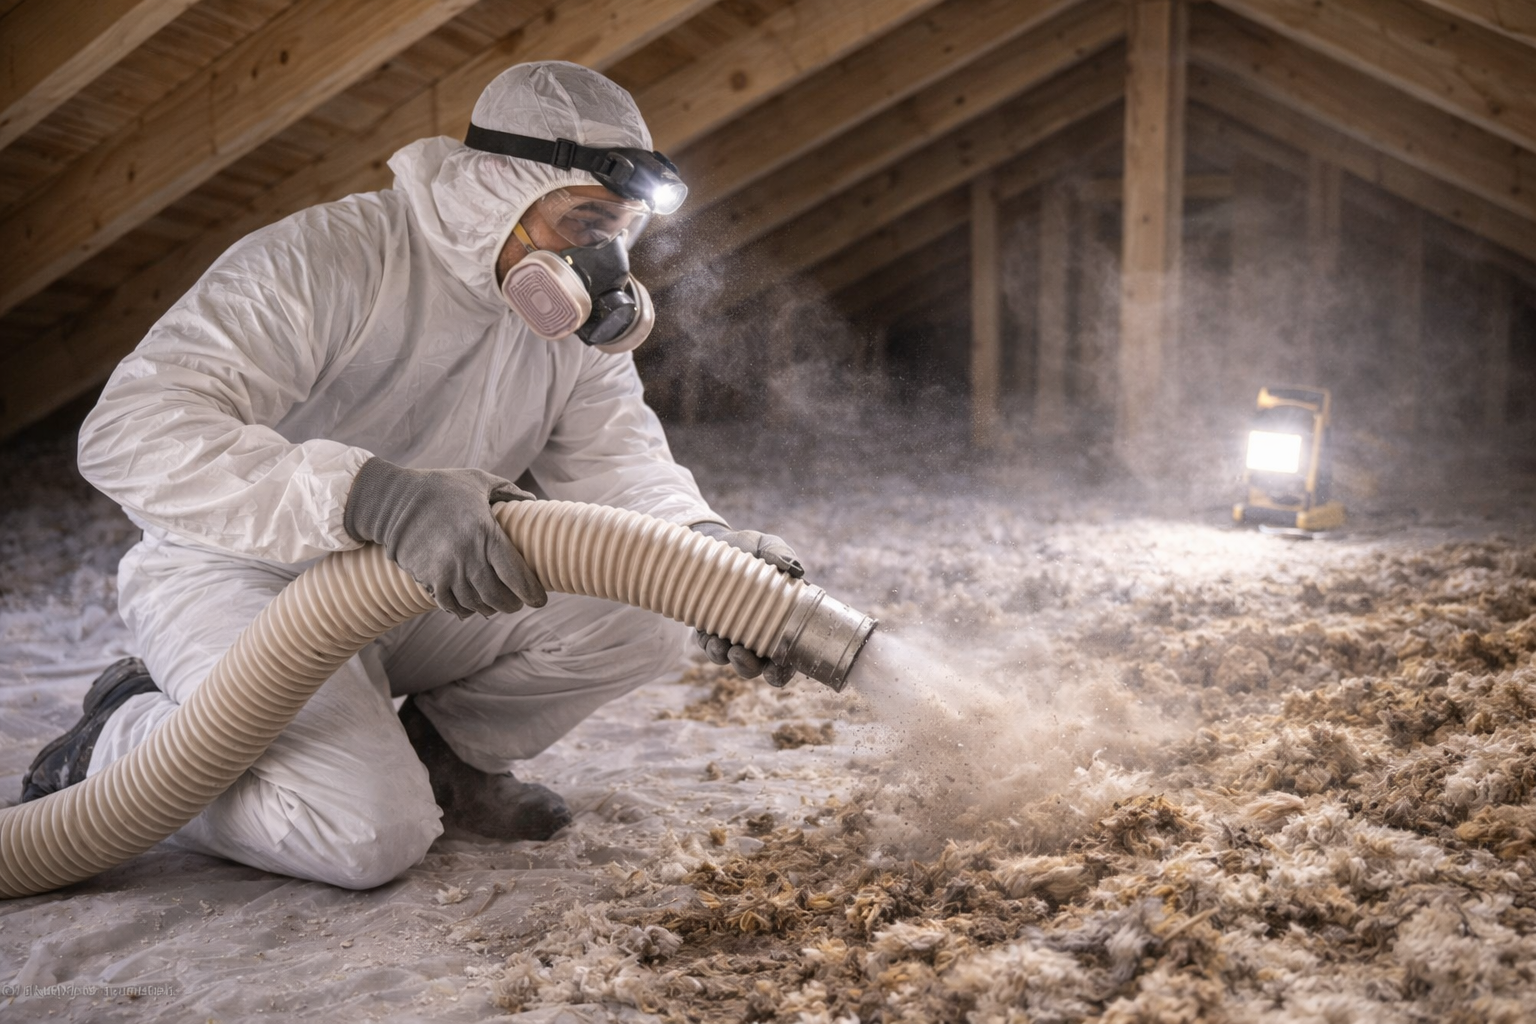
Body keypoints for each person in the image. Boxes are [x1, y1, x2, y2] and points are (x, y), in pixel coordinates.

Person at [20, 61, 803, 890]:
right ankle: (125, 741)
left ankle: (450, 763)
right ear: (501, 186)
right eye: (582, 222)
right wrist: (371, 494)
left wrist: (708, 553)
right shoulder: (330, 258)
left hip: (423, 577)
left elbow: (619, 463)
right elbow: (129, 430)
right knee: (365, 836)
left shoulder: (569, 332)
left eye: (618, 229)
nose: (602, 259)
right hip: (242, 578)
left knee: (647, 604)